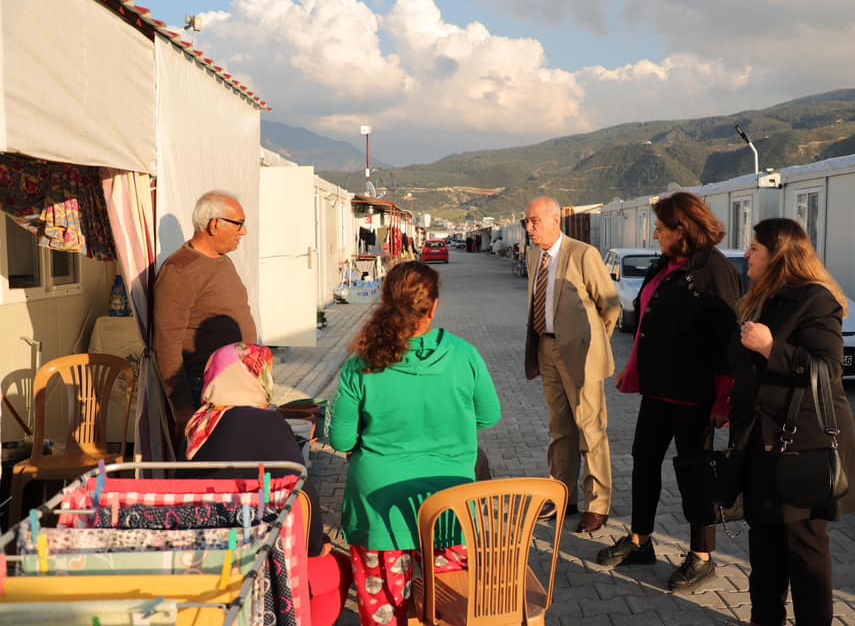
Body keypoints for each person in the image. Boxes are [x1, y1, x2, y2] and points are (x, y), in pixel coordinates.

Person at [329, 261, 501, 626]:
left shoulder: (361, 362)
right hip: (449, 506)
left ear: (385, 301)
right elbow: (489, 415)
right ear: (434, 306)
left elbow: (341, 438)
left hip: (379, 510)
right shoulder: (464, 354)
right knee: (450, 610)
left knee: (385, 615)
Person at [597, 191, 742, 592]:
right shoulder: (665, 263)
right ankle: (641, 540)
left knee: (695, 473)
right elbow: (648, 321)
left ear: (683, 228)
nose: (655, 234)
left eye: (661, 227)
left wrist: (725, 397)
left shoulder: (714, 270)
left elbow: (728, 340)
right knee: (644, 461)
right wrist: (634, 369)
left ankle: (702, 554)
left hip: (696, 394)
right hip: (658, 389)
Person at [730, 218, 855, 625]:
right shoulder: (764, 295)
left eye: (754, 248)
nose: (746, 254)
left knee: (804, 551)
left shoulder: (815, 299)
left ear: (779, 255)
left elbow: (828, 368)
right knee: (764, 545)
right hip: (762, 442)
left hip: (801, 445)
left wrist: (772, 348)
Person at [181, 342, 350, 626]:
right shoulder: (266, 422)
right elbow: (302, 495)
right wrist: (317, 547)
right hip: (262, 571)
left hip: (202, 564)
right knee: (339, 568)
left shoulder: (196, 427)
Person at [523, 196, 620, 533]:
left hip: (581, 355)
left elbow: (610, 306)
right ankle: (563, 496)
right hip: (546, 350)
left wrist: (593, 345)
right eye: (527, 222)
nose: (530, 228)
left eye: (535, 221)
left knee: (590, 429)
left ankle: (598, 504)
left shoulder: (583, 254)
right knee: (560, 429)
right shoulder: (533, 254)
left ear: (555, 221)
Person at [155, 190, 257, 441]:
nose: (243, 232)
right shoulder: (179, 270)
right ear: (215, 225)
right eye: (239, 224)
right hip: (205, 387)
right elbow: (167, 341)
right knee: (208, 462)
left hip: (236, 381)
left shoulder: (222, 260)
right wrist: (182, 407)